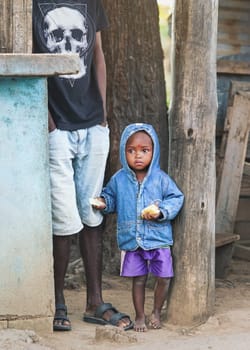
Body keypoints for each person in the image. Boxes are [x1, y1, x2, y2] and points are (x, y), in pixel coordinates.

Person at [32, 0, 133, 331]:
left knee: (92, 212)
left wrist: (102, 114)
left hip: (92, 126)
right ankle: (57, 300)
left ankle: (94, 301)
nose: (68, 42)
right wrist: (48, 123)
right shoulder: (30, 6)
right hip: (56, 127)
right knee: (63, 219)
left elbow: (99, 54)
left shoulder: (92, 3)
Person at [91, 123, 184, 332]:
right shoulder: (119, 179)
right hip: (132, 241)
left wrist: (161, 212)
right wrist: (104, 203)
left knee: (164, 278)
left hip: (158, 238)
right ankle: (140, 316)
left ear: (154, 151)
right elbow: (111, 198)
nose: (138, 156)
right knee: (139, 280)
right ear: (124, 151)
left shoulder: (161, 178)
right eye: (131, 150)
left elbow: (176, 198)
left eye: (144, 151)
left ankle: (157, 311)